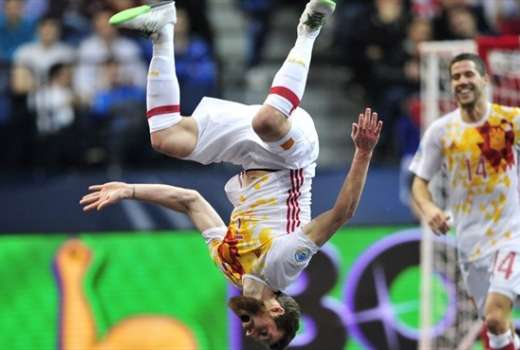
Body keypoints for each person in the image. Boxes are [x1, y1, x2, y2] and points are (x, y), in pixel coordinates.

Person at [80, 1, 382, 349]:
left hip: (249, 158)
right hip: (293, 155)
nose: (253, 334)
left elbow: (190, 201)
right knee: (266, 122)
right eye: (265, 332)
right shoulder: (284, 266)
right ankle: (309, 30)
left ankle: (161, 29)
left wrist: (130, 190)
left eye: (258, 338)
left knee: (166, 137)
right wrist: (364, 152)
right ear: (276, 309)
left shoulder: (231, 268)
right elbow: (342, 213)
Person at [410, 52, 520, 350]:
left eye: (468, 74)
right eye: (456, 77)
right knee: (496, 328)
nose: (462, 81)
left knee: (496, 316)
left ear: (484, 79)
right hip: (470, 244)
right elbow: (419, 183)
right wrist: (430, 208)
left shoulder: (510, 121)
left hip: (511, 236)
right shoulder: (441, 131)